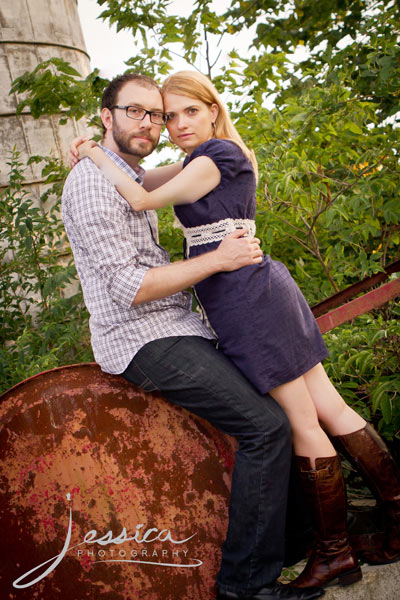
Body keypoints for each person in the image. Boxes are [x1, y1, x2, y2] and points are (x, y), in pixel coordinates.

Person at [73, 70, 400, 591]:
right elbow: (140, 178)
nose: (174, 123)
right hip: (259, 292)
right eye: (166, 114)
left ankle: (333, 553)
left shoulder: (215, 157)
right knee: (331, 408)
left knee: (299, 423)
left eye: (187, 112)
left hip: (249, 303)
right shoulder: (200, 160)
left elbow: (138, 199)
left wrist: (91, 152)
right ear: (113, 115)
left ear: (213, 110)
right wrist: (105, 158)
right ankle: (392, 526)